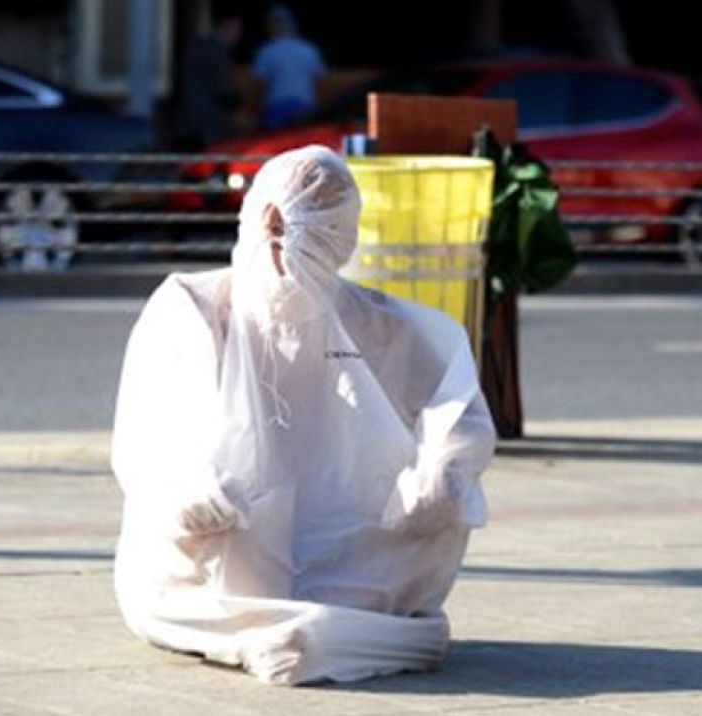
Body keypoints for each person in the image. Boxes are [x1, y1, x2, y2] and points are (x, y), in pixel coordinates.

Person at [111, 145, 496, 685]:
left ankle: (304, 631)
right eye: (322, 232)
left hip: (340, 542)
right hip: (221, 548)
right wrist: (186, 492)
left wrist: (442, 473)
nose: (330, 250)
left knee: (434, 519)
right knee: (170, 592)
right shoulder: (192, 309)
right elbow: (153, 430)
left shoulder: (374, 322)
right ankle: (350, 635)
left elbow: (454, 402)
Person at [252, 5, 326, 130]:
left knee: (274, 146)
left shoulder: (267, 51)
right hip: (304, 107)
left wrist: (256, 110)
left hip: (276, 108)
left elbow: (260, 85)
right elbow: (320, 82)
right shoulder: (309, 50)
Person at [176, 16, 243, 149]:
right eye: (237, 30)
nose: (238, 36)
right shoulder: (218, 52)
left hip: (189, 119)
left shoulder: (195, 47)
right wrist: (239, 99)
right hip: (211, 121)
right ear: (227, 27)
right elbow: (224, 88)